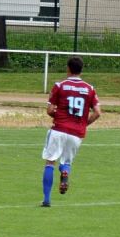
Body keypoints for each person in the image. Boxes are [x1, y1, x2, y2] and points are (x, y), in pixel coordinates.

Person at [41, 56, 101, 207]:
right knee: (66, 162)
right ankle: (65, 172)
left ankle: (47, 199)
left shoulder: (59, 85)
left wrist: (59, 116)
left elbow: (49, 110)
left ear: (68, 68)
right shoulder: (89, 89)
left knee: (50, 162)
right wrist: (82, 124)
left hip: (59, 129)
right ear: (81, 70)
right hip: (76, 133)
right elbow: (97, 113)